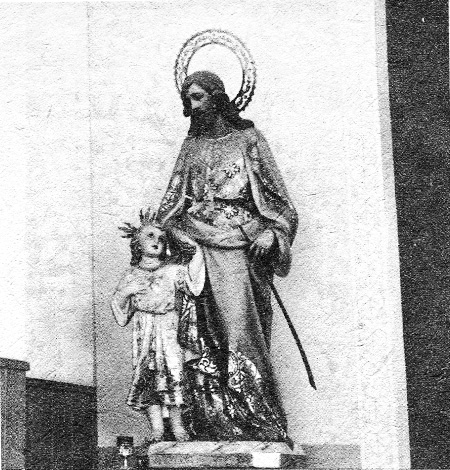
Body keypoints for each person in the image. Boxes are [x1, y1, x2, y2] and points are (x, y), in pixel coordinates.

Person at [156, 71, 298, 445]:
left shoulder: (249, 140)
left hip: (238, 245)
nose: (191, 106)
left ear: (218, 98)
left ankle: (254, 419)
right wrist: (173, 231)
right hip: (196, 248)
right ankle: (209, 420)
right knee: (199, 336)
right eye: (187, 99)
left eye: (198, 97)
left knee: (240, 330)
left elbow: (281, 203)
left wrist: (272, 233)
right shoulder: (191, 147)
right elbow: (170, 204)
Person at [111, 210, 205, 443]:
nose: (157, 241)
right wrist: (126, 292)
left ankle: (178, 425)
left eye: (162, 238)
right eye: (150, 236)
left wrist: (197, 249)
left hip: (169, 328)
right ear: (137, 244)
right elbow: (121, 312)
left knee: (173, 373)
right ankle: (157, 429)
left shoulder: (174, 270)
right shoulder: (131, 275)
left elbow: (194, 284)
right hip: (144, 331)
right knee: (148, 376)